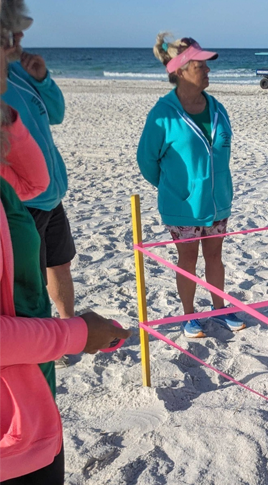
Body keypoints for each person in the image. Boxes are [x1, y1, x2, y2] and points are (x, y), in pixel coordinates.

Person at [0, 15, 132, 483]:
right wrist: (74, 336)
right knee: (28, 293)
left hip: (40, 197)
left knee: (55, 273)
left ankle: (64, 321)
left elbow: (45, 139)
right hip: (12, 443)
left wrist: (39, 81)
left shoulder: (17, 76)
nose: (16, 38)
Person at [137, 33, 245, 338]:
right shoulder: (163, 114)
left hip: (218, 202)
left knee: (215, 257)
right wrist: (173, 187)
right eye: (202, 65)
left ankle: (220, 309)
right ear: (181, 70)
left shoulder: (218, 108)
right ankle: (188, 316)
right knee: (187, 260)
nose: (208, 70)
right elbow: (146, 160)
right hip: (181, 207)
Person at [1, 1, 77, 368]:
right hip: (22, 200)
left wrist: (43, 77)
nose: (20, 37)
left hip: (50, 194)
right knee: (28, 284)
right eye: (10, 31)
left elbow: (58, 114)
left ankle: (65, 336)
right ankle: (42, 345)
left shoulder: (18, 68)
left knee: (59, 264)